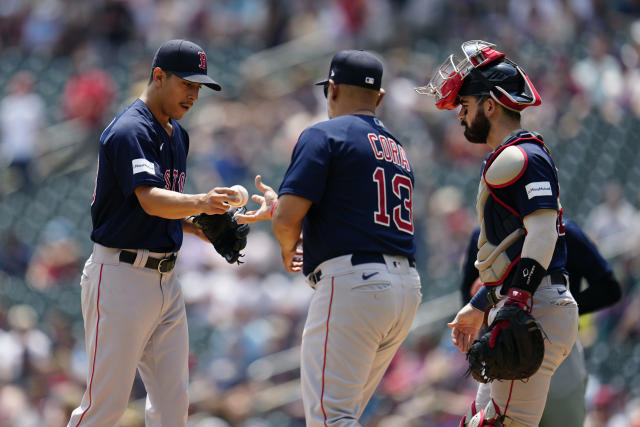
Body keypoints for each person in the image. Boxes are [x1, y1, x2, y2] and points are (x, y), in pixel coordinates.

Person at [236, 50, 422, 426]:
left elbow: (290, 219)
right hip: (404, 290)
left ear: (332, 89)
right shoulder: (397, 150)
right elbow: (352, 210)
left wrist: (289, 246)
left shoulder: (325, 133)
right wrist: (281, 209)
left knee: (329, 418)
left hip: (356, 285)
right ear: (380, 98)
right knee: (343, 415)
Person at [67, 39, 245, 427]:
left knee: (171, 409)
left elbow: (166, 212)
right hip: (121, 277)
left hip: (165, 279)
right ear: (159, 76)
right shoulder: (131, 128)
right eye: (188, 85)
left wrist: (208, 228)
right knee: (106, 407)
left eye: (199, 88)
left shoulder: (177, 135)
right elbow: (149, 200)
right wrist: (201, 201)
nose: (194, 95)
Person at [416, 40, 579, 426]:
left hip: (535, 302)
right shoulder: (513, 155)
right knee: (481, 419)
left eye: (466, 106)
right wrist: (482, 304)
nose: (460, 116)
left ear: (490, 105)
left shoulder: (521, 155)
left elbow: (542, 235)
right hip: (529, 300)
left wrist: (517, 300)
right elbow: (517, 248)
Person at [460, 218, 622, 427]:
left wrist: (561, 308)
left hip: (557, 356)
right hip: (505, 351)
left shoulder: (564, 231)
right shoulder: (483, 236)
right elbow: (467, 302)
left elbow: (609, 288)